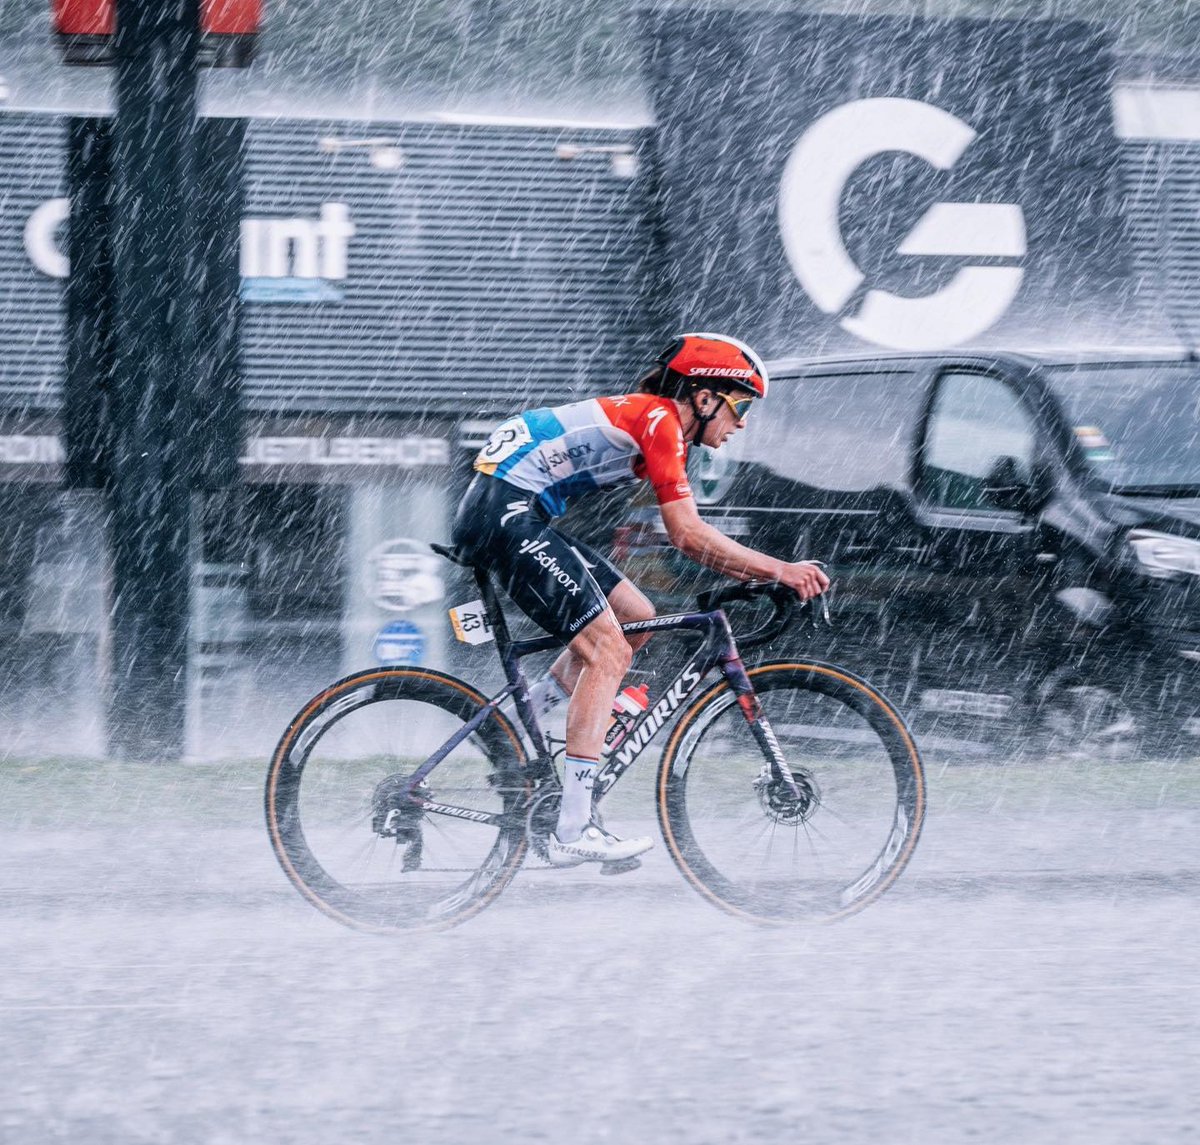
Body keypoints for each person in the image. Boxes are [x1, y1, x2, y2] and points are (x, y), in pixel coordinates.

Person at [450, 332, 830, 867]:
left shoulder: (653, 422)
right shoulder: (660, 422)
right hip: (506, 516)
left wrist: (762, 567)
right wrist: (780, 569)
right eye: (739, 405)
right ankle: (573, 828)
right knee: (609, 652)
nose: (741, 422)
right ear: (703, 397)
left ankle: (522, 722)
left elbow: (680, 535)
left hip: (511, 512)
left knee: (637, 617)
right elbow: (688, 535)